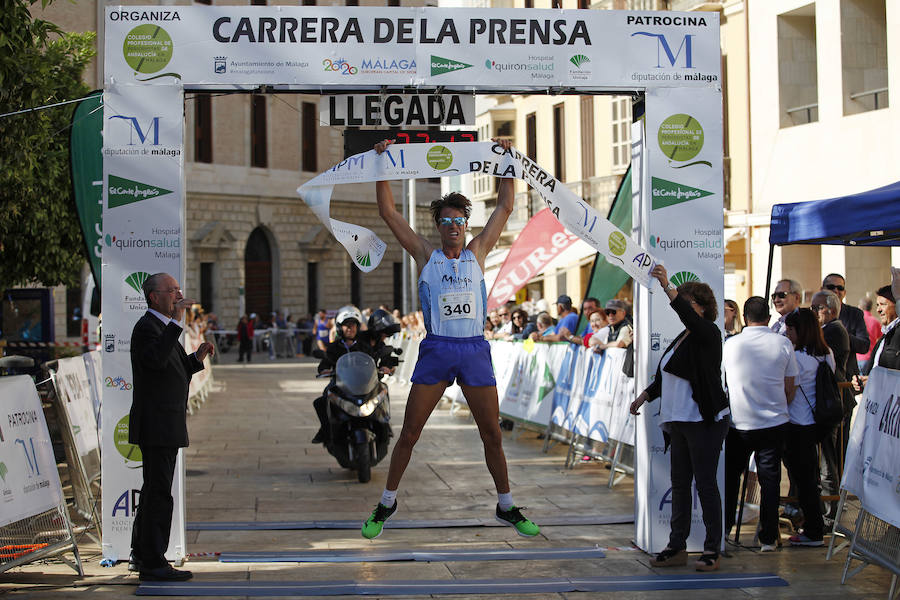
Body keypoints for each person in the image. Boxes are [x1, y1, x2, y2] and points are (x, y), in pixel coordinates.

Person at [361, 137, 539, 540]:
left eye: (459, 221)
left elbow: (506, 206)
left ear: (466, 226)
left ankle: (506, 505)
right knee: (409, 433)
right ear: (438, 226)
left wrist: (507, 158)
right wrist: (382, 164)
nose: (454, 227)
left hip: (474, 349)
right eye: (446, 221)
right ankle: (386, 502)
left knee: (491, 433)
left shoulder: (478, 250)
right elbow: (388, 213)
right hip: (439, 349)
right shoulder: (426, 254)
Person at [629, 265, 729, 572]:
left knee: (706, 485)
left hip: (704, 420)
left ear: (700, 308)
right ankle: (677, 546)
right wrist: (644, 396)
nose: (682, 309)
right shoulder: (683, 338)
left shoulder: (708, 333)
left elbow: (687, 317)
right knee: (680, 484)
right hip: (679, 421)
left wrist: (667, 286)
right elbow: (667, 375)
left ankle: (712, 549)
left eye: (688, 304)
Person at [129, 273, 214, 581]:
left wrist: (196, 358)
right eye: (172, 291)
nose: (179, 295)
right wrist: (178, 322)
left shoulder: (162, 328)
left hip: (165, 423)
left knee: (154, 490)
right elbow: (152, 362)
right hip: (157, 424)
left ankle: (142, 553)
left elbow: (170, 369)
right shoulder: (147, 327)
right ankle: (153, 561)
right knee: (158, 494)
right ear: (154, 296)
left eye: (179, 290)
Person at [722, 296, 798, 553]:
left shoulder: (730, 344)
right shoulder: (783, 343)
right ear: (768, 317)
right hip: (773, 423)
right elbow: (790, 388)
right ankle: (767, 537)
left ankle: (723, 529)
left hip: (738, 423)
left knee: (731, 479)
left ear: (744, 316)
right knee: (770, 482)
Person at [782, 308, 834, 547]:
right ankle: (813, 525)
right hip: (817, 424)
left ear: (800, 330)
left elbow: (788, 393)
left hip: (797, 424)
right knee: (809, 478)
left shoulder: (797, 358)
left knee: (803, 481)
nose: (786, 332)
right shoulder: (826, 354)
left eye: (790, 329)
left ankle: (813, 530)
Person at [810, 289, 852, 516]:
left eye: (817, 308)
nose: (813, 313)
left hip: (831, 403)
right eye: (812, 308)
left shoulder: (834, 330)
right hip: (823, 403)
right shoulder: (827, 329)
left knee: (828, 458)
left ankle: (830, 511)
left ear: (832, 310)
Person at [311, 306, 371, 444]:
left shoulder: (364, 346)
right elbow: (325, 363)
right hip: (340, 383)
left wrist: (383, 367)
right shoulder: (334, 347)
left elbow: (373, 359)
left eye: (353, 325)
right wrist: (324, 370)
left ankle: (383, 424)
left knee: (382, 390)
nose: (350, 329)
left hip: (362, 383)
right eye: (347, 326)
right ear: (340, 328)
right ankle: (326, 429)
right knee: (321, 400)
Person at [822, 273, 869, 379]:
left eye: (840, 288)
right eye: (831, 287)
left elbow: (864, 346)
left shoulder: (854, 314)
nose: (835, 290)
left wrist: (841, 334)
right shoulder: (813, 314)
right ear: (822, 289)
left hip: (846, 379)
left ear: (845, 292)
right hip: (819, 377)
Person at [857, 295, 882, 373]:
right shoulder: (875, 322)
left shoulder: (857, 320)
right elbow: (880, 338)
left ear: (859, 306)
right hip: (870, 358)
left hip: (857, 357)